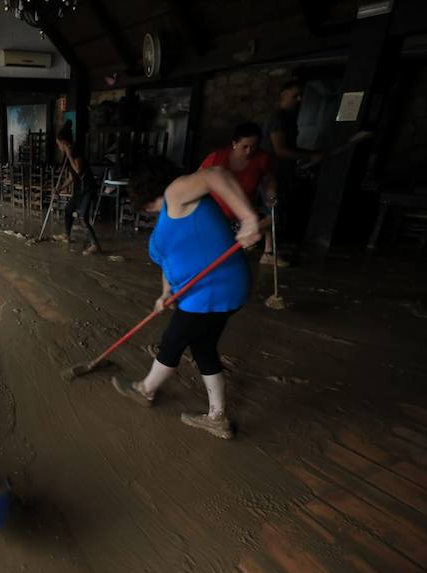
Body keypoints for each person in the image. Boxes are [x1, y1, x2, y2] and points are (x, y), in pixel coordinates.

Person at [110, 158, 261, 440]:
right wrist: (165, 293)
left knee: (172, 341)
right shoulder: (169, 215)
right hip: (207, 292)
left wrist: (249, 218)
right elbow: (170, 259)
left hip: (211, 290)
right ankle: (217, 417)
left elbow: (215, 174)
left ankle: (145, 390)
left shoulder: (176, 193)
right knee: (203, 347)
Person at [200, 122, 285, 266]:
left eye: (254, 146)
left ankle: (268, 253)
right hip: (214, 213)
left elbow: (267, 179)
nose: (249, 151)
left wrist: (271, 193)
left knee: (272, 214)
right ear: (234, 143)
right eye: (244, 146)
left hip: (241, 214)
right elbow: (196, 181)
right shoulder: (217, 158)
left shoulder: (261, 158)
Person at [261, 80, 325, 239]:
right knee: (271, 212)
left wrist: (311, 154)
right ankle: (257, 242)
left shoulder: (289, 118)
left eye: (300, 95)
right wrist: (310, 155)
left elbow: (290, 148)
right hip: (272, 172)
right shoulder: (278, 118)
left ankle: (266, 246)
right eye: (295, 95)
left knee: (275, 211)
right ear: (284, 94)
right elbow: (280, 150)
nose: (299, 99)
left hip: (282, 171)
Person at [51, 121, 102, 256]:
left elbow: (78, 170)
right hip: (79, 189)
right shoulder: (69, 154)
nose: (58, 147)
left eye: (58, 144)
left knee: (84, 217)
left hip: (88, 188)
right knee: (68, 209)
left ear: (63, 142)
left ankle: (95, 245)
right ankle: (67, 235)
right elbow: (71, 176)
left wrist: (68, 154)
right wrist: (61, 187)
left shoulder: (75, 151)